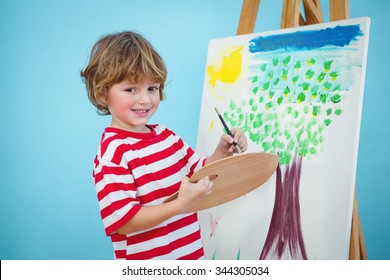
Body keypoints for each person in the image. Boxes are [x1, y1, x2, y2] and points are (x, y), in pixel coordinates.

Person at [80, 31, 247, 260]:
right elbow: (125, 221)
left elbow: (198, 173)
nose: (145, 100)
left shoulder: (166, 136)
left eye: (152, 88)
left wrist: (222, 151)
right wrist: (180, 205)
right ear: (102, 94)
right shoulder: (113, 154)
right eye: (131, 89)